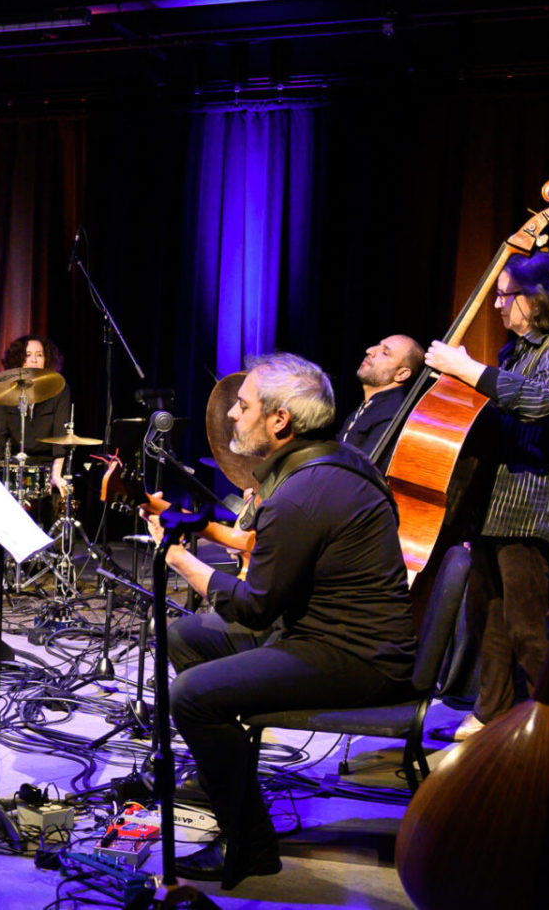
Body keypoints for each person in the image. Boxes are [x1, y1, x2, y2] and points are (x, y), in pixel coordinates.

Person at [145, 352, 415, 888]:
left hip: (355, 659)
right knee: (186, 636)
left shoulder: (301, 494)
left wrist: (177, 558)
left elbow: (252, 608)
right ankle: (227, 777)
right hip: (323, 637)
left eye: (242, 407)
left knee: (190, 696)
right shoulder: (329, 465)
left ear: (279, 421)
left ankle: (248, 846)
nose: (230, 417)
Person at [424, 251, 549, 742]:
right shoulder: (514, 353)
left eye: (506, 294)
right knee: (488, 619)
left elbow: (539, 403)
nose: (497, 305)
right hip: (494, 502)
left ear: (539, 298)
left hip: (532, 501)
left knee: (525, 624)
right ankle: (492, 711)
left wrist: (468, 369)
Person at [0, 334, 73, 497]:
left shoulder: (60, 390)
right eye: (28, 355)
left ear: (46, 360)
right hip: (14, 468)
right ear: (19, 360)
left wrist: (56, 475)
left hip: (47, 467)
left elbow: (61, 438)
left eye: (39, 355)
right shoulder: (7, 392)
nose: (34, 360)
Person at [337, 333, 424, 466]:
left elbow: (363, 475)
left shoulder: (390, 414)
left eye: (385, 353)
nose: (370, 351)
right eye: (378, 345)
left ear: (401, 374)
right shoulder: (370, 406)